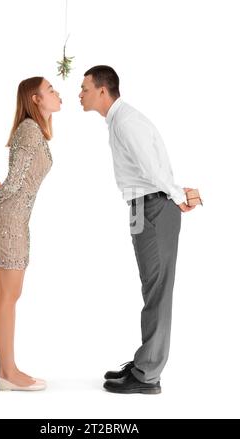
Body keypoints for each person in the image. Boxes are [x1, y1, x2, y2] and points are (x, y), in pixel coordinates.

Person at [79, 65, 198, 394]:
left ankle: (148, 375)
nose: (80, 94)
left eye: (85, 88)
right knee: (152, 289)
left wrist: (177, 195)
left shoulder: (126, 121)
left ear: (103, 91)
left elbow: (151, 167)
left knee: (157, 291)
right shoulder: (118, 119)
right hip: (142, 208)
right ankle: (146, 361)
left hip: (155, 208)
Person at [0, 77, 62, 391]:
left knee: (9, 296)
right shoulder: (29, 129)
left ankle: (8, 371)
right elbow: (14, 183)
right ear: (35, 98)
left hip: (14, 219)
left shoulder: (33, 130)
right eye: (51, 89)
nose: (57, 93)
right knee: (7, 296)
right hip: (9, 222)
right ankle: (8, 374)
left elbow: (14, 181)